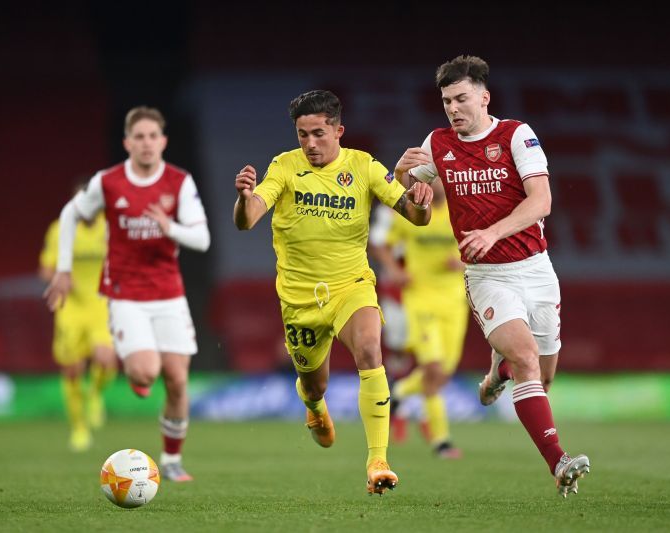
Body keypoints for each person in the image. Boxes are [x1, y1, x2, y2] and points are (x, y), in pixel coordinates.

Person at [394, 55, 590, 497]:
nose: (453, 109)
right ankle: (558, 463)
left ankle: (497, 371)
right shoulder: (438, 143)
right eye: (446, 102)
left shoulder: (517, 134)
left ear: (484, 97)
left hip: (536, 269)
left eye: (461, 98)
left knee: (542, 373)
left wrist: (494, 230)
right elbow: (408, 201)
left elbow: (541, 201)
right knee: (527, 361)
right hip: (486, 275)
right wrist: (405, 174)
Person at [233, 90, 433, 495]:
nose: (309, 143)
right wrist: (243, 199)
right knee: (314, 384)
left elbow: (415, 216)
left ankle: (378, 460)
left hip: (351, 286)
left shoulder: (363, 166)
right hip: (300, 300)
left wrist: (421, 200)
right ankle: (313, 407)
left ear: (338, 131)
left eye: (318, 134)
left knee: (369, 351)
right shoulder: (284, 167)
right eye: (302, 134)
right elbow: (247, 219)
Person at [44, 106, 210, 482]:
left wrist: (170, 228)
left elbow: (201, 238)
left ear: (163, 141)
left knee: (179, 380)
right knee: (146, 371)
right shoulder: (108, 181)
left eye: (154, 136)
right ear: (127, 142)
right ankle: (138, 372)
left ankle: (171, 460)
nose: (147, 143)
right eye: (140, 137)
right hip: (125, 294)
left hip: (168, 293)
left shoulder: (179, 182)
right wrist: (64, 270)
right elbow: (71, 214)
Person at [368, 177, 469, 459]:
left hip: (454, 301)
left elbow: (482, 247)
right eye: (429, 181)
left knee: (443, 374)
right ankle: (442, 441)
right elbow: (380, 244)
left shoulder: (461, 210)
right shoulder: (412, 214)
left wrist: (464, 261)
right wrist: (394, 270)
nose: (434, 187)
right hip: (420, 300)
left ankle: (399, 391)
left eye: (438, 180)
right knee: (434, 370)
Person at [39, 189, 117, 452]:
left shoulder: (111, 227)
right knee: (72, 370)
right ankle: (79, 428)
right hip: (70, 307)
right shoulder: (60, 228)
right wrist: (58, 278)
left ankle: (94, 394)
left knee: (106, 359)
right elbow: (46, 269)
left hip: (101, 304)